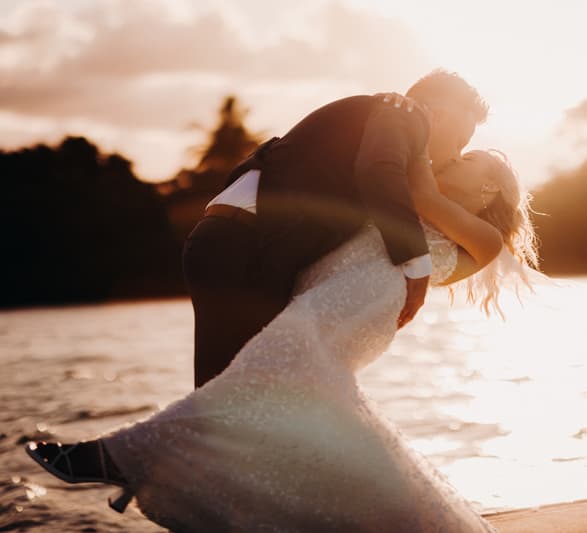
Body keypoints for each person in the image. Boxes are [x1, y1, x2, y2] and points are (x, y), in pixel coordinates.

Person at [26, 150, 540, 532]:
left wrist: (413, 143)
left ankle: (111, 457)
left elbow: (423, 196)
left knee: (264, 372)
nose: (457, 158)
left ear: (491, 188)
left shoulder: (478, 233)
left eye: (472, 161)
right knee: (306, 401)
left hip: (364, 300)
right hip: (324, 287)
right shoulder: (403, 195)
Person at [187, 70, 487, 389]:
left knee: (226, 392)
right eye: (459, 141)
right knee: (232, 395)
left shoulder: (383, 120)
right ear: (440, 114)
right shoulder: (407, 113)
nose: (456, 155)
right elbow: (379, 172)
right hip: (240, 248)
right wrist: (418, 266)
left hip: (232, 244)